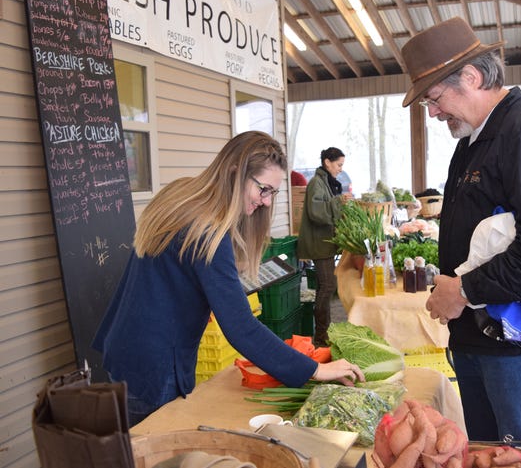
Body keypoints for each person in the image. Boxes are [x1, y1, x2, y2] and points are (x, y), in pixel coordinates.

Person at [401, 17, 521, 447]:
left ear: (470, 77)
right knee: (487, 456)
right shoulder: (472, 142)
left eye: (433, 98)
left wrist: (465, 290)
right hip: (480, 340)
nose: (433, 113)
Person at [93, 132, 364, 426]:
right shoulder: (207, 228)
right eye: (263, 189)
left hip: (126, 346)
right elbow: (242, 329)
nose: (265, 201)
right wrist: (315, 370)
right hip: (152, 365)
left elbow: (173, 277)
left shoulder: (183, 195)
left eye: (271, 193)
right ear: (236, 173)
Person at [297, 147, 351, 347]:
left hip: (323, 241)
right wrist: (338, 201)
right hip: (318, 243)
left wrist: (339, 202)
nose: (340, 169)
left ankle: (323, 333)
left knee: (324, 286)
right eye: (339, 165)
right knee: (327, 286)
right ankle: (321, 337)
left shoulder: (323, 182)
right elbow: (316, 212)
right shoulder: (316, 183)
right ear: (327, 162)